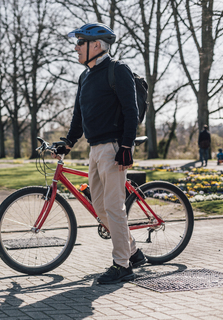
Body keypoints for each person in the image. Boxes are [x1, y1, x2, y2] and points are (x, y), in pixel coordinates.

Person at [62, 23, 146, 284]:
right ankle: (133, 251)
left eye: (80, 43)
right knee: (99, 207)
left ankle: (122, 266)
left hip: (113, 148)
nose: (76, 48)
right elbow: (79, 116)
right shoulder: (84, 77)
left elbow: (131, 111)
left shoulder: (117, 70)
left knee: (113, 206)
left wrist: (125, 146)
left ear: (96, 46)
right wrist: (67, 142)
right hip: (94, 148)